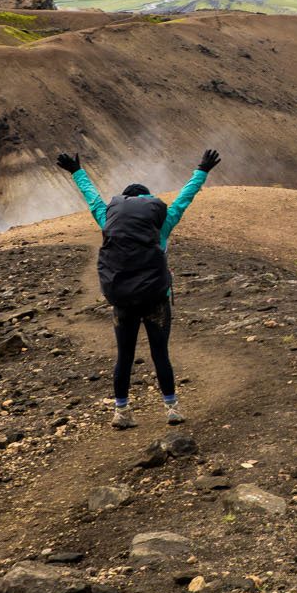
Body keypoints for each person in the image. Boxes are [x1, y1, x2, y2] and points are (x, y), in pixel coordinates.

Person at [56, 147, 221, 428]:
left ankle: (121, 412)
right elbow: (183, 199)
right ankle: (171, 409)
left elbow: (93, 198)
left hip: (122, 298)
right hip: (156, 297)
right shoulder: (162, 224)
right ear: (147, 204)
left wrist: (77, 172)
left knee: (125, 357)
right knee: (160, 354)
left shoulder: (108, 219)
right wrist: (202, 171)